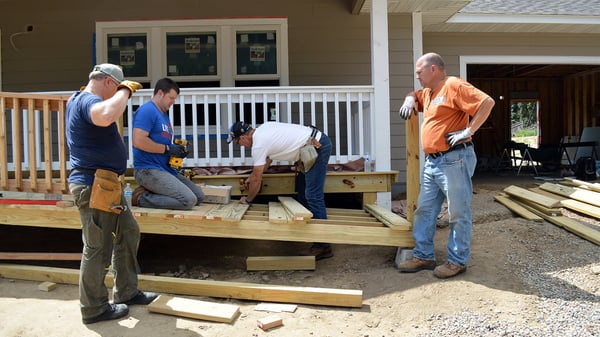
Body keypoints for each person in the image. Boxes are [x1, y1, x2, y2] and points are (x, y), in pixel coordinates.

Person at [66, 63, 158, 324]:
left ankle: (126, 292)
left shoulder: (82, 99)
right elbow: (106, 115)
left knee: (128, 231)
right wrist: (125, 92)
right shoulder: (86, 100)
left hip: (106, 185)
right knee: (97, 248)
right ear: (108, 83)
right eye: (116, 88)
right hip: (94, 186)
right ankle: (93, 308)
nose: (119, 96)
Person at [397, 52, 495, 278]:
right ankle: (424, 256)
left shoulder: (453, 85)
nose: (417, 76)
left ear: (433, 69)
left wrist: (468, 131)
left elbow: (487, 102)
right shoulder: (430, 92)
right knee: (425, 210)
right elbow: (414, 93)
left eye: (419, 72)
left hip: (453, 159)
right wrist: (409, 99)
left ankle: (457, 261)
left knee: (458, 212)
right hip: (432, 162)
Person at [228, 121, 334, 260]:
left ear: (242, 137)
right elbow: (267, 162)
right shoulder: (263, 129)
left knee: (313, 195)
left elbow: (257, 180)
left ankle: (323, 246)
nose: (241, 146)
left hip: (316, 146)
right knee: (302, 192)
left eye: (238, 143)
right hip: (310, 146)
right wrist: (252, 176)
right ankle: (312, 233)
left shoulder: (259, 143)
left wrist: (247, 200)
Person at [131, 78, 204, 210]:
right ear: (160, 93)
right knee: (188, 200)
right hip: (147, 170)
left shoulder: (164, 115)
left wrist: (177, 151)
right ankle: (141, 198)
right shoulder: (147, 111)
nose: (173, 102)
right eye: (171, 98)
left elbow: (163, 143)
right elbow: (138, 141)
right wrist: (167, 149)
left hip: (164, 169)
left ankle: (155, 190)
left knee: (198, 196)